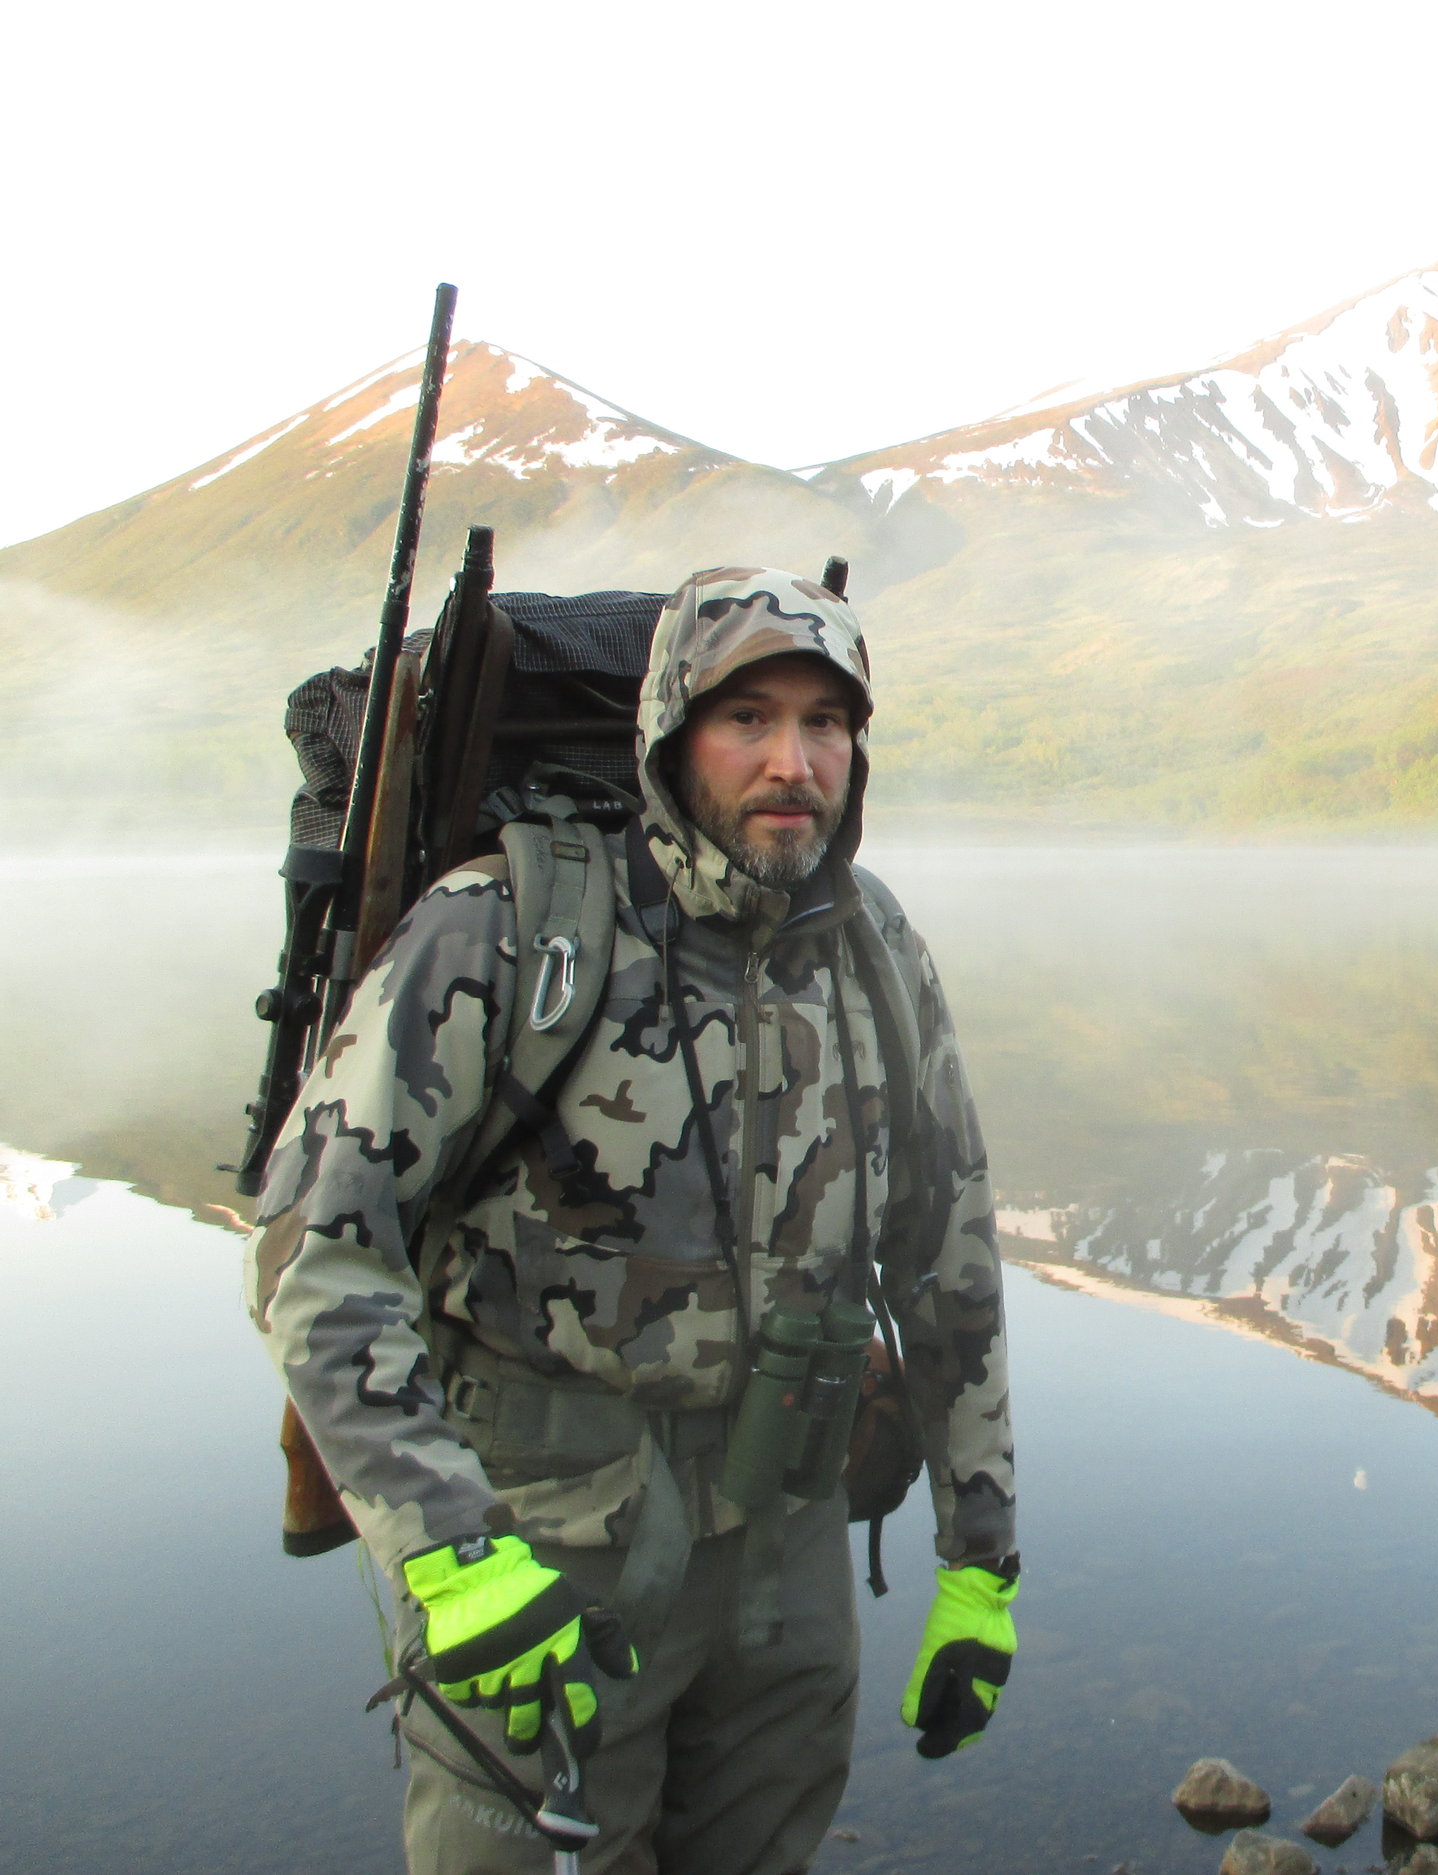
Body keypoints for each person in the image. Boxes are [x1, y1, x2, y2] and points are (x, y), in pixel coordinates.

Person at [248, 566, 1018, 1874]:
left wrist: (980, 1559)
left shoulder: (873, 943)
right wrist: (450, 1553)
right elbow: (315, 1250)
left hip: (788, 1550)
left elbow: (948, 1248)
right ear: (670, 733)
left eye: (827, 722)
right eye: (749, 718)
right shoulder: (507, 929)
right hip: (546, 1551)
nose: (794, 760)